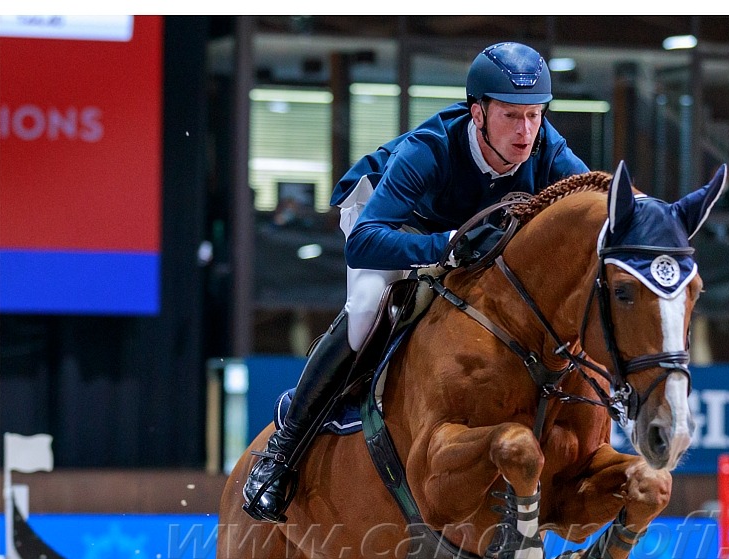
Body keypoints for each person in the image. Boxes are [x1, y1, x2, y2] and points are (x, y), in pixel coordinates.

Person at [242, 41, 589, 522]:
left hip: (458, 235)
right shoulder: (428, 150)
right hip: (384, 220)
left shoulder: (547, 146)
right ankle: (282, 451)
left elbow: (595, 203)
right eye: (512, 115)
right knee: (368, 307)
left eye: (534, 115)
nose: (525, 131)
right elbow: (363, 242)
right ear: (478, 113)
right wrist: (443, 246)